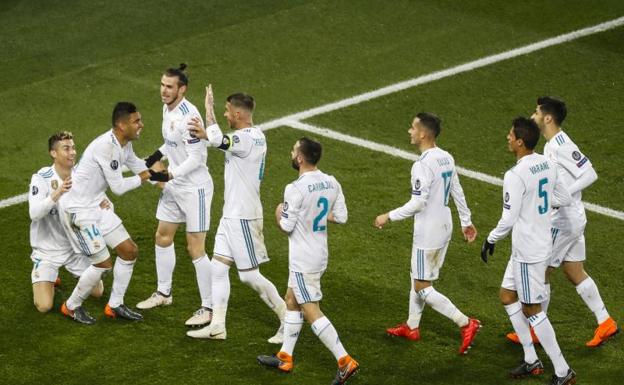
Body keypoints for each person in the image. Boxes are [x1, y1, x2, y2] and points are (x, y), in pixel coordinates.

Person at [507, 96, 618, 347]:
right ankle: (605, 322)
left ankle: (535, 329)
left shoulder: (559, 145)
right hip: (574, 218)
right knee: (573, 270)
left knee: (541, 270)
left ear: (547, 118)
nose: (533, 115)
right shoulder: (553, 144)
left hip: (563, 221)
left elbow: (589, 173)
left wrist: (564, 195)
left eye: (536, 112)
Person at [374, 112, 480, 354]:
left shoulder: (422, 165)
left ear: (423, 134)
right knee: (417, 275)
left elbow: (418, 203)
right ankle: (412, 326)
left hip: (428, 232)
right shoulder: (446, 157)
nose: (409, 131)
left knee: (422, 286)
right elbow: (457, 189)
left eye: (412, 128)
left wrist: (387, 216)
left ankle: (466, 322)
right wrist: (466, 221)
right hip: (445, 226)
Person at [185, 90, 286, 343]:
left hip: (243, 217)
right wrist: (208, 133)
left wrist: (207, 110)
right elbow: (220, 140)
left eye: (227, 110)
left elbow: (221, 141)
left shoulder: (248, 138)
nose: (224, 113)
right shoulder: (252, 136)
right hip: (230, 216)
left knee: (249, 275)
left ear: (238, 114)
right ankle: (218, 326)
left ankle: (288, 319)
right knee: (219, 269)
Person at [257, 138, 359, 385]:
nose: (291, 153)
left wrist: (278, 214)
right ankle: (285, 357)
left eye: (293, 150)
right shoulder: (331, 182)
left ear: (300, 158)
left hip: (304, 258)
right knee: (291, 300)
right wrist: (315, 215)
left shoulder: (296, 188)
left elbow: (287, 226)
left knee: (310, 309)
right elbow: (342, 217)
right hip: (319, 252)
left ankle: (345, 361)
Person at [482, 117, 575, 385]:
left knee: (532, 309)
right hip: (541, 243)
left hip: (527, 250)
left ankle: (563, 371)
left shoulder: (515, 175)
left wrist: (491, 238)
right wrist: (539, 207)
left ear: (520, 142)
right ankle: (531, 359)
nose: (507, 138)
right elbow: (565, 198)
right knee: (507, 295)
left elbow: (508, 219)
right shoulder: (548, 163)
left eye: (510, 135)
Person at [136, 64, 223, 328]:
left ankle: (208, 308)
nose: (163, 90)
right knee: (162, 236)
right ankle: (164, 293)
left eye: (169, 87)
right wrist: (155, 155)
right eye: (162, 85)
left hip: (194, 188)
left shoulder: (190, 117)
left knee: (195, 248)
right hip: (175, 186)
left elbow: (197, 158)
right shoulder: (167, 108)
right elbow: (172, 141)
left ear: (181, 89)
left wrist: (169, 175)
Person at [58, 102, 157, 324]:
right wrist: (145, 177)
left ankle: (115, 305)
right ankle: (71, 306)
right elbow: (120, 187)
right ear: (122, 125)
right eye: (136, 121)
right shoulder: (107, 147)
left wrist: (162, 179)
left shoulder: (124, 144)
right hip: (78, 211)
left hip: (97, 204)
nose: (141, 124)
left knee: (129, 251)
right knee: (103, 264)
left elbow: (138, 165)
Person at [29, 132, 104, 313]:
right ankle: (49, 277)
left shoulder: (82, 176)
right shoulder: (42, 178)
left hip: (74, 248)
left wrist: (104, 205)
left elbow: (102, 205)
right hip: (47, 251)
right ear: (53, 153)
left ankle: (59, 275)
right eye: (66, 148)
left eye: (73, 148)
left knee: (98, 291)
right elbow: (34, 213)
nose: (72, 153)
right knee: (44, 306)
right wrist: (58, 193)